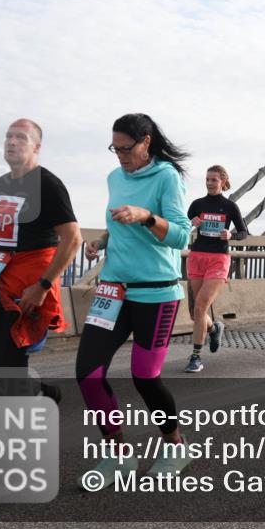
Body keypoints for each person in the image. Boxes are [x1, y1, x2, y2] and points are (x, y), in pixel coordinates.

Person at [77, 113, 194, 487]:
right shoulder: (114, 178)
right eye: (115, 149)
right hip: (112, 291)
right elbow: (118, 225)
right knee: (88, 375)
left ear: (145, 142)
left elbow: (180, 237)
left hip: (155, 293)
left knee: (145, 378)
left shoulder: (166, 177)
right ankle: (119, 456)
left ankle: (175, 446)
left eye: (126, 148)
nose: (121, 156)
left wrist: (146, 216)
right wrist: (102, 242)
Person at [0, 119, 82, 400]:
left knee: (8, 366)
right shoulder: (2, 183)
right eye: (9, 136)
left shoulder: (47, 184)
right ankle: (43, 394)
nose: (12, 142)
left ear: (37, 146)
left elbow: (72, 239)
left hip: (27, 284)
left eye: (21, 137)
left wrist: (42, 286)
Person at [184, 165, 248, 372]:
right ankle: (214, 327)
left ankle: (195, 357)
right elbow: (183, 225)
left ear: (222, 182)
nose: (210, 183)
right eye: (207, 179)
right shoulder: (197, 204)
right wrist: (191, 222)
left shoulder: (229, 206)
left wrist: (231, 235)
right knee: (196, 313)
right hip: (197, 257)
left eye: (214, 180)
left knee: (201, 305)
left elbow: (243, 232)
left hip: (218, 259)